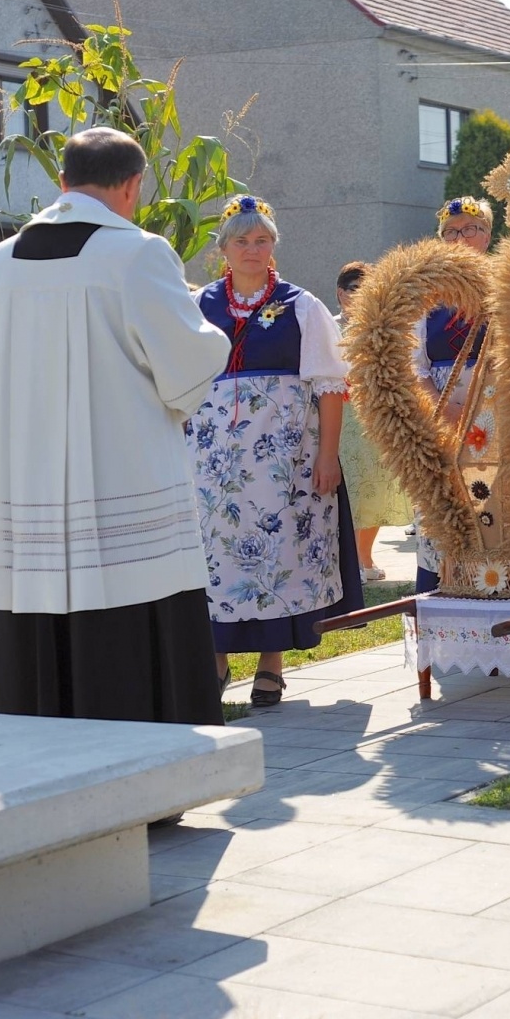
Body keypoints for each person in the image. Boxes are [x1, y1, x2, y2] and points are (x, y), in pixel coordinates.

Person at [0, 126, 231, 726]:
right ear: (133, 186)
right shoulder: (138, 253)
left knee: (41, 626)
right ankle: (149, 777)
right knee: (131, 621)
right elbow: (187, 364)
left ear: (61, 183)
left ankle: (41, 771)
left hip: (26, 483)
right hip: (122, 475)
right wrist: (208, 329)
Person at [188, 195, 364, 707]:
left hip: (286, 459)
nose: (252, 249)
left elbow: (331, 388)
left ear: (273, 246)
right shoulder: (200, 307)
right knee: (217, 554)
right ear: (224, 248)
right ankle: (216, 658)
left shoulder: (301, 306)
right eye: (241, 240)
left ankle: (272, 664)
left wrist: (327, 457)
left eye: (261, 239)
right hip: (214, 463)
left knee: (280, 553)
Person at [413, 196, 492, 593]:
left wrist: (482, 405)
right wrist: (444, 410)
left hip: (498, 417)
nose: (460, 238)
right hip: (440, 418)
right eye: (451, 231)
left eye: (470, 229)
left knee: (493, 514)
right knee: (445, 512)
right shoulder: (425, 296)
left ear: (488, 235)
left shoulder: (506, 284)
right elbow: (415, 367)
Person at [334, 260, 411, 582]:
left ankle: (364, 558)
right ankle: (349, 561)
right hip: (340, 417)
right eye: (355, 288)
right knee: (349, 488)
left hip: (376, 416)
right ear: (341, 294)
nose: (362, 294)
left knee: (375, 488)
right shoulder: (327, 325)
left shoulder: (383, 326)